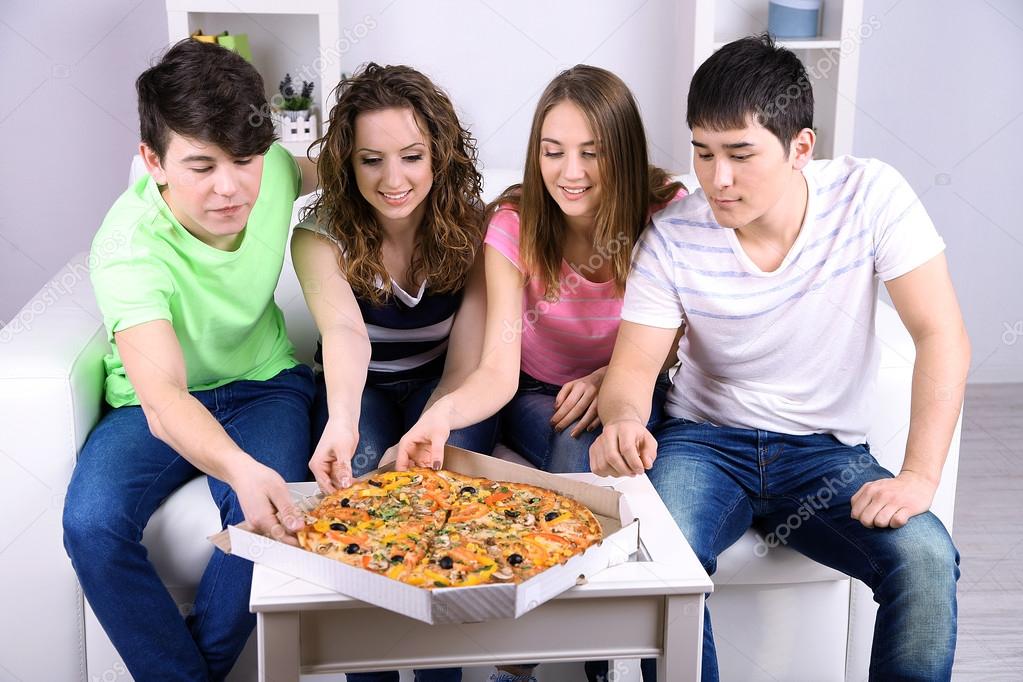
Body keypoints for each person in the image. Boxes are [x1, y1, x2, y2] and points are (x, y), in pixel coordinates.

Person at [591, 34, 967, 681]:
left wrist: (917, 477)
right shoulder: (674, 233)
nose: (717, 178)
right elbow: (630, 372)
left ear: (800, 148)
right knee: (662, 556)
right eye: (702, 153)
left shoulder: (868, 195)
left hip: (823, 455)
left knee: (926, 558)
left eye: (739, 154)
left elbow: (940, 333)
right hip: (704, 446)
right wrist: (622, 418)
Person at [396, 64, 682, 682]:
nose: (569, 173)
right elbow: (497, 369)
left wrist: (611, 373)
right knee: (566, 444)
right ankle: (533, 666)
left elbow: (683, 326)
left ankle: (569, 664)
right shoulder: (514, 226)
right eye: (553, 152)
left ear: (624, 154)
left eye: (590, 153)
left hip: (633, 386)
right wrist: (438, 417)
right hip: (535, 391)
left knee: (584, 454)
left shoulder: (668, 212)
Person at [62, 39, 320, 681]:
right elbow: (165, 402)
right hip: (156, 404)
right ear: (153, 160)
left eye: (245, 160)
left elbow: (357, 171)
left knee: (271, 517)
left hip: (265, 384)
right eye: (201, 166)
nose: (231, 188)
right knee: (90, 525)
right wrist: (237, 467)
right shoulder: (127, 248)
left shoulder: (278, 170)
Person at [292, 63, 498, 682]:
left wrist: (434, 426)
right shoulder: (318, 235)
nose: (394, 179)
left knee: (441, 494)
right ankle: (371, 671)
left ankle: (442, 673)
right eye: (371, 160)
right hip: (358, 388)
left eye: (411, 156)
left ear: (439, 153)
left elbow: (466, 363)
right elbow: (346, 335)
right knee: (364, 489)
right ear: (348, 166)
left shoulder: (477, 230)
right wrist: (347, 422)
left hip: (444, 387)